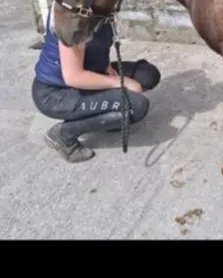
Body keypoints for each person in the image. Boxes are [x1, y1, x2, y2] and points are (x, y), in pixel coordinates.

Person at [32, 8, 160, 162]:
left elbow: (97, 46)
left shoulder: (99, 8)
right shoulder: (70, 17)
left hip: (91, 73)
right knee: (137, 105)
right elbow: (74, 77)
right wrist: (118, 82)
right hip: (56, 94)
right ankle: (63, 134)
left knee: (148, 75)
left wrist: (106, 67)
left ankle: (105, 119)